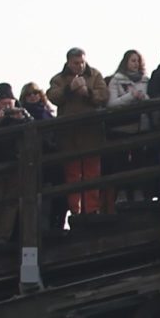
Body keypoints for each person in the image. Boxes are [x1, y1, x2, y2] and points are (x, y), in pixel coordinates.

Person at [45, 47, 109, 218]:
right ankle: (76, 210)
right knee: (72, 174)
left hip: (91, 132)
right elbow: (53, 96)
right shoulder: (58, 79)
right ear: (68, 62)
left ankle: (92, 209)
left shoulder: (94, 75)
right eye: (76, 63)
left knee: (92, 173)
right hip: (69, 135)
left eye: (82, 62)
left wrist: (87, 93)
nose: (80, 66)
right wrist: (69, 89)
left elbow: (103, 95)